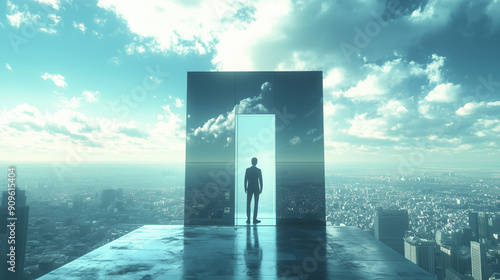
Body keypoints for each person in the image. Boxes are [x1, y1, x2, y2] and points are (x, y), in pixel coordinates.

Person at [245, 157, 263, 224]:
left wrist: (245, 187)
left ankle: (248, 219)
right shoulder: (258, 170)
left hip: (249, 188)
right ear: (256, 162)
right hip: (256, 188)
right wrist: (261, 188)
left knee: (248, 203)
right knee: (256, 204)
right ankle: (254, 219)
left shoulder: (248, 170)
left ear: (251, 162)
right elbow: (260, 180)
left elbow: (245, 179)